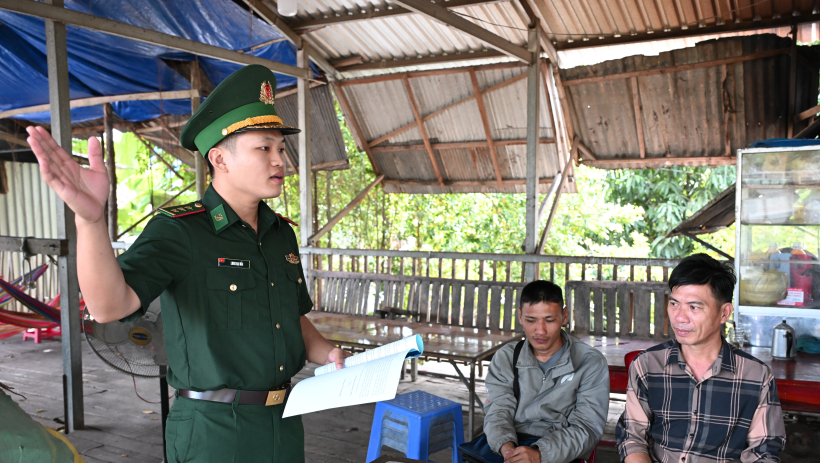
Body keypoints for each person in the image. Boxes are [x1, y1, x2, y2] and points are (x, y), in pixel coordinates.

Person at [26, 64, 350, 463]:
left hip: (284, 420)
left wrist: (329, 353)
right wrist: (90, 221)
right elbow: (109, 307)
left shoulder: (280, 233)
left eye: (281, 149)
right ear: (220, 158)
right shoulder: (181, 231)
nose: (279, 160)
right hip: (214, 427)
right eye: (263, 148)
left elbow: (291, 317)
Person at [616, 254, 786, 463]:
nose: (679, 317)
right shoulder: (647, 365)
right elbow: (632, 437)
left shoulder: (757, 376)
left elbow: (763, 453)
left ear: (724, 313)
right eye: (674, 304)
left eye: (694, 307)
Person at [462, 280, 610, 463]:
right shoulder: (507, 358)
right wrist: (507, 448)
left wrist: (540, 454)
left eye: (549, 320)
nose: (540, 330)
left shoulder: (589, 362)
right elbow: (498, 410)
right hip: (510, 445)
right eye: (531, 320)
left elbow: (587, 427)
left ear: (564, 316)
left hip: (560, 449)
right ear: (520, 316)